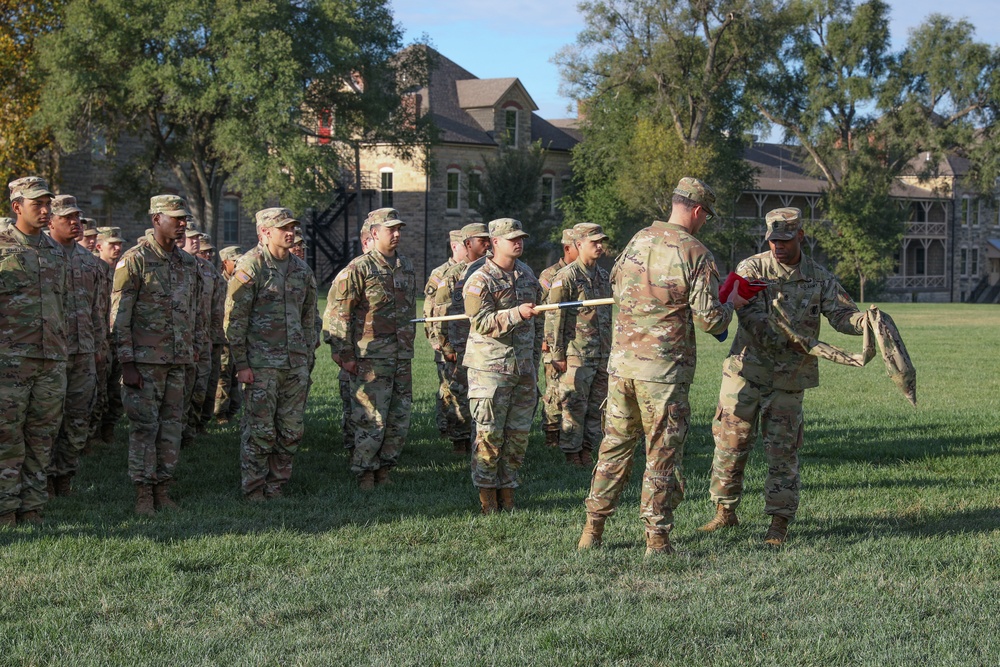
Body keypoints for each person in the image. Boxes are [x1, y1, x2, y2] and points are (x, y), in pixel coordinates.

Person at [577, 177, 747, 556]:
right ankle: (657, 538)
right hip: (664, 373)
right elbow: (710, 321)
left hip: (622, 366)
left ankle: (592, 529)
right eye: (706, 216)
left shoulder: (638, 239)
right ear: (698, 210)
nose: (704, 222)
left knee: (614, 448)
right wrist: (732, 301)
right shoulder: (695, 252)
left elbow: (617, 290)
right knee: (661, 453)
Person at [700, 207, 865, 546]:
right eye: (773, 240)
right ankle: (724, 511)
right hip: (745, 372)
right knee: (730, 445)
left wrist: (865, 323)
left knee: (783, 451)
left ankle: (778, 523)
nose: (778, 246)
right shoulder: (755, 269)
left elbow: (842, 315)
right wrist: (789, 338)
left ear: (800, 236)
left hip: (790, 378)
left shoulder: (819, 277)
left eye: (786, 240)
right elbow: (746, 312)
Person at [110, 194, 199, 515]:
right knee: (144, 429)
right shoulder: (135, 260)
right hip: (144, 364)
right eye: (174, 218)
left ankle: (164, 488)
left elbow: (194, 313)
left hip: (179, 362)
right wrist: (127, 363)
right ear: (155, 220)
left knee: (172, 427)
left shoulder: (187, 263)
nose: (181, 224)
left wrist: (193, 355)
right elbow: (120, 316)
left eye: (184, 219)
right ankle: (143, 494)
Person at [225, 207, 318, 500]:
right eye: (283, 228)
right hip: (260, 365)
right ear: (265, 232)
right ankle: (254, 489)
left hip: (294, 365)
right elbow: (234, 318)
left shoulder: (301, 270)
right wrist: (241, 363)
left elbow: (309, 317)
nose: (290, 232)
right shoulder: (251, 266)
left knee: (291, 431)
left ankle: (276, 486)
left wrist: (306, 358)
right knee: (260, 431)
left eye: (292, 227)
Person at [325, 208, 415, 489]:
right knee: (370, 416)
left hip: (401, 355)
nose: (397, 234)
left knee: (399, 416)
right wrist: (345, 354)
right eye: (391, 230)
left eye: (399, 229)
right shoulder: (358, 269)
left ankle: (386, 469)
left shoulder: (406, 266)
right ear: (374, 234)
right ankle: (365, 472)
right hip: (370, 358)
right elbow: (339, 313)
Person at [0, 177, 68, 526]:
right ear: (16, 207)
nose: (45, 211)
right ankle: (6, 511)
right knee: (7, 438)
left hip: (51, 360)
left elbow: (63, 304)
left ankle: (33, 508)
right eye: (37, 205)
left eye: (47, 204)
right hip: (9, 361)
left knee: (42, 438)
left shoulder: (55, 250)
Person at [463, 218, 543, 514]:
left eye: (520, 237)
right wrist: (515, 315)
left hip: (522, 370)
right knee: (489, 436)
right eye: (512, 238)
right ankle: (487, 500)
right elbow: (480, 322)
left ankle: (508, 494)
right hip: (491, 372)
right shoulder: (479, 279)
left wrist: (534, 362)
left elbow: (538, 321)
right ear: (495, 242)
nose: (518, 242)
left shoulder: (526, 275)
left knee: (517, 437)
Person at [46, 195, 106, 497]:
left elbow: (96, 309)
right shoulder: (43, 255)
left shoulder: (88, 261)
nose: (75, 223)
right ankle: (43, 479)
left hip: (83, 352)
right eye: (67, 217)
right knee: (47, 419)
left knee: (78, 417)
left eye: (77, 217)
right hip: (51, 352)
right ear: (51, 221)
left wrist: (98, 346)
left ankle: (65, 477)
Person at [545, 222, 613, 467]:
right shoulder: (567, 277)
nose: (599, 246)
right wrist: (558, 353)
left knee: (597, 406)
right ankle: (571, 452)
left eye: (600, 241)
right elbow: (555, 318)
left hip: (602, 351)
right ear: (578, 245)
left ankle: (587, 449)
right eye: (593, 242)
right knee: (574, 404)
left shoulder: (603, 276)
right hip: (577, 352)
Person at [430, 223, 492, 454]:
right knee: (459, 394)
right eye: (482, 240)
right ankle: (459, 441)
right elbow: (442, 314)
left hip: (484, 345)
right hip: (460, 345)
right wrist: (447, 347)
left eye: (489, 239)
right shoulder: (453, 275)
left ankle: (480, 440)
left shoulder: (491, 269)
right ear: (468, 244)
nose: (487, 244)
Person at [328, 221, 375, 452]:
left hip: (377, 351)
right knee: (354, 403)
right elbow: (336, 313)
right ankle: (353, 448)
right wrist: (341, 351)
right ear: (367, 241)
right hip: (355, 349)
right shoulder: (353, 272)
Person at [423, 230, 466, 443]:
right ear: (454, 246)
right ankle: (445, 427)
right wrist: (436, 341)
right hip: (445, 341)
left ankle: (459, 427)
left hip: (463, 341)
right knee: (447, 388)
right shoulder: (441, 273)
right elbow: (430, 310)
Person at [538, 229, 580, 448]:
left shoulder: (583, 274)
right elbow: (540, 307)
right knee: (554, 390)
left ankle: (569, 434)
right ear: (567, 248)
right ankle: (551, 435)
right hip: (553, 343)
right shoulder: (550, 275)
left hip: (574, 343)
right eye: (578, 246)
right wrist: (546, 339)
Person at [89, 227, 125, 447]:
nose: (118, 248)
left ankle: (109, 430)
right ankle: (92, 436)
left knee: (115, 390)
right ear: (99, 246)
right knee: (97, 389)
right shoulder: (91, 270)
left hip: (118, 340)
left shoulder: (122, 272)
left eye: (119, 244)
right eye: (112, 244)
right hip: (99, 340)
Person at [193, 233, 226, 433]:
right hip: (186, 338)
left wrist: (216, 335)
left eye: (209, 251)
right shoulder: (186, 269)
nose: (207, 254)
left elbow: (217, 305)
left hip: (209, 337)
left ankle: (199, 424)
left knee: (207, 384)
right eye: (203, 250)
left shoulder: (210, 271)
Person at [214, 245, 243, 423]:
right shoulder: (219, 282)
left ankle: (233, 410)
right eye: (235, 261)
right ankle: (220, 413)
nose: (239, 264)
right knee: (223, 375)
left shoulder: (240, 280)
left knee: (236, 376)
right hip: (222, 338)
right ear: (225, 263)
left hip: (237, 337)